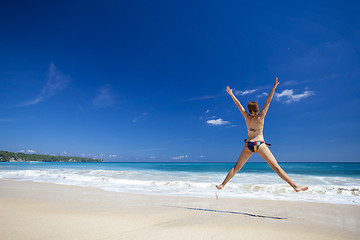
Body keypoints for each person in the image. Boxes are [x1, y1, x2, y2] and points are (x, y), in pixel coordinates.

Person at [216, 78, 308, 192]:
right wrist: (274, 87)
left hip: (248, 144)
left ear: (249, 109)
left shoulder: (246, 116)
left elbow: (238, 104)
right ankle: (295, 186)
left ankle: (222, 185)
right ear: (257, 109)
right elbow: (268, 101)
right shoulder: (261, 116)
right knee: (276, 168)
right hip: (260, 144)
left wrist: (231, 94)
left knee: (236, 168)